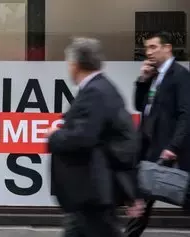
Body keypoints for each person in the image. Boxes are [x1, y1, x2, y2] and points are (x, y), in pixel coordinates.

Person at [47, 37, 143, 237]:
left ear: (75, 64)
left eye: (69, 63)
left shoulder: (95, 92)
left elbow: (84, 137)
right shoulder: (102, 88)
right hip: (89, 193)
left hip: (91, 192)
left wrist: (55, 136)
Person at [124, 32, 190, 237]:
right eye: (147, 48)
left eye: (153, 47)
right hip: (150, 149)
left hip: (169, 149)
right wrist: (143, 80)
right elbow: (140, 106)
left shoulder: (180, 75)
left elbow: (186, 114)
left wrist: (174, 147)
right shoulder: (153, 76)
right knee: (141, 199)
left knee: (184, 194)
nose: (149, 52)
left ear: (167, 48)